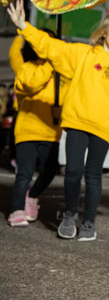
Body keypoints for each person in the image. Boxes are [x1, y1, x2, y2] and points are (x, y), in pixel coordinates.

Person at [6, 1, 109, 241]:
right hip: (77, 122)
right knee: (72, 171)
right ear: (104, 32)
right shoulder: (83, 54)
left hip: (103, 127)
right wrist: (24, 26)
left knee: (93, 174)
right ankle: (69, 215)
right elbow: (52, 47)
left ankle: (89, 222)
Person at [6, 32, 67, 227]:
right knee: (24, 172)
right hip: (27, 129)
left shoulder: (61, 74)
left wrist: (62, 108)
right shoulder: (26, 67)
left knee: (49, 171)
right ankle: (16, 210)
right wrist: (50, 61)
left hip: (50, 130)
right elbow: (32, 84)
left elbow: (69, 96)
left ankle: (32, 196)